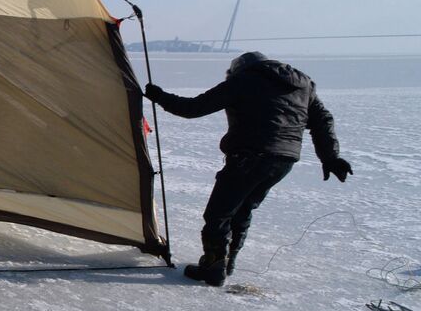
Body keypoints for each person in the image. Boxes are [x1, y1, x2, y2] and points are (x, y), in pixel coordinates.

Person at [145, 52, 351, 286]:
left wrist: (160, 96)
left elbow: (194, 107)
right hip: (284, 161)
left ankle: (213, 267)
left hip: (250, 157)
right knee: (243, 209)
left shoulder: (244, 80)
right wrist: (331, 157)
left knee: (218, 214)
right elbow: (323, 120)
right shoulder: (304, 84)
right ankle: (227, 262)